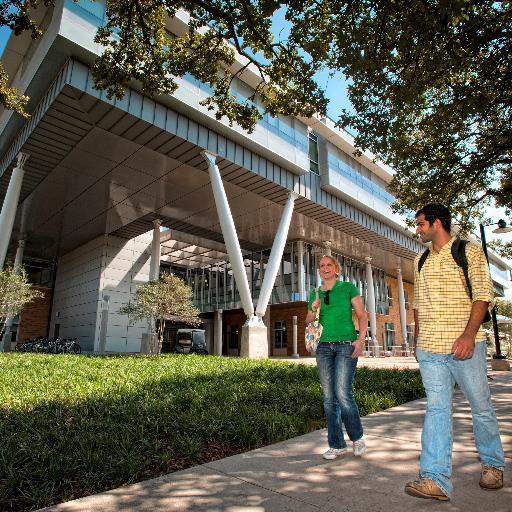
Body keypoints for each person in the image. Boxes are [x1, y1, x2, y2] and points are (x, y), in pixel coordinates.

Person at [405, 203, 505, 501]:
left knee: (481, 407)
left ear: (437, 223)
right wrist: (418, 341)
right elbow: (419, 306)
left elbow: (483, 297)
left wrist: (469, 335)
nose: (417, 229)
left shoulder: (469, 252)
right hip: (431, 350)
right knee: (436, 410)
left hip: (465, 347)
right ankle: (434, 478)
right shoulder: (419, 260)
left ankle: (492, 465)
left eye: (421, 223)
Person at [306, 254, 368, 460]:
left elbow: (362, 314)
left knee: (343, 393)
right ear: (319, 270)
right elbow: (308, 321)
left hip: (345, 346)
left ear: (336, 268)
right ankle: (336, 444)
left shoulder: (348, 288)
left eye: (328, 265)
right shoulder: (314, 293)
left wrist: (360, 340)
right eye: (322, 266)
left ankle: (357, 437)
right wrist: (313, 309)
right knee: (328, 398)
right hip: (323, 347)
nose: (325, 268)